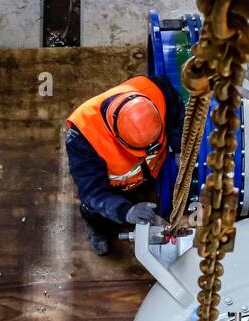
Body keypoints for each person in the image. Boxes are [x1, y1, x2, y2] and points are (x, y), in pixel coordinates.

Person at [65, 75, 183, 255]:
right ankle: (97, 229)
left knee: (145, 196)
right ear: (116, 137)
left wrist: (180, 147)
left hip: (146, 175)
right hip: (111, 187)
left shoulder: (156, 90)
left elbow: (176, 116)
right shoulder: (82, 137)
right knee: (93, 209)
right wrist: (125, 211)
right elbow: (92, 192)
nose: (148, 153)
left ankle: (139, 195)